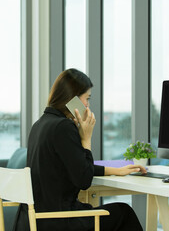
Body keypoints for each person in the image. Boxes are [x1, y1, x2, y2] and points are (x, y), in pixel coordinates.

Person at [13, 68, 145, 231]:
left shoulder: (40, 124)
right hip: (59, 222)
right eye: (87, 98)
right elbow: (83, 180)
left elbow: (74, 166)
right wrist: (86, 138)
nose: (88, 105)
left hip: (34, 221)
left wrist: (115, 170)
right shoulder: (63, 127)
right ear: (72, 99)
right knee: (124, 212)